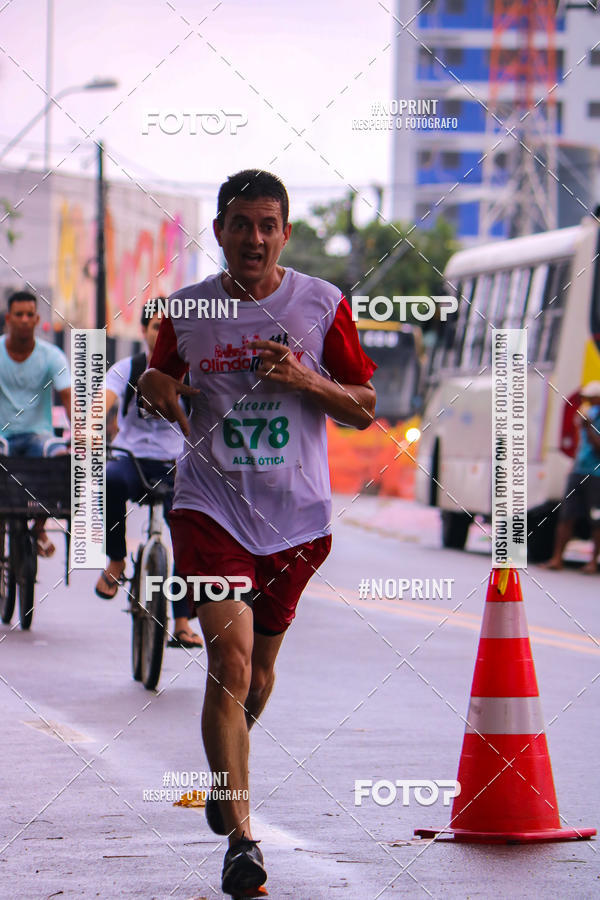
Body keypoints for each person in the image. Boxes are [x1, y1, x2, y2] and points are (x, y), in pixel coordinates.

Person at [138, 169, 377, 896]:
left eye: (268, 224)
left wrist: (307, 381)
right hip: (210, 507)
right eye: (240, 223)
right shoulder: (186, 311)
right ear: (219, 232)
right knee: (230, 663)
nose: (254, 237)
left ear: (286, 233)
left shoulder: (320, 304)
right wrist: (160, 389)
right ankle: (243, 838)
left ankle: (224, 776)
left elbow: (365, 405)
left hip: (297, 519)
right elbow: (157, 377)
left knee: (260, 674)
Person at [95, 304, 203, 648]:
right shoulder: (128, 369)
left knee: (189, 537)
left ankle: (183, 621)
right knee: (110, 479)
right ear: (144, 331)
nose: (162, 334)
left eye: (169, 328)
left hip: (176, 465)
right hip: (133, 460)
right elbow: (101, 402)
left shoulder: (194, 373)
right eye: (156, 326)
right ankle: (115, 559)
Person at [0, 290, 71, 556]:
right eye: (19, 314)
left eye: (30, 314)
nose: (25, 320)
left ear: (37, 318)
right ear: (9, 318)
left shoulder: (51, 355)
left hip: (37, 436)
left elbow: (69, 398)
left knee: (60, 455)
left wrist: (85, 429)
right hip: (2, 436)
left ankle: (39, 526)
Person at [544, 380, 600, 573]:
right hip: (578, 471)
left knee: (596, 520)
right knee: (566, 516)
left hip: (596, 475)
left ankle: (593, 562)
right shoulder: (589, 414)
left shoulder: (592, 420)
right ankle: (557, 558)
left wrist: (589, 428)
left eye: (592, 398)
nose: (588, 401)